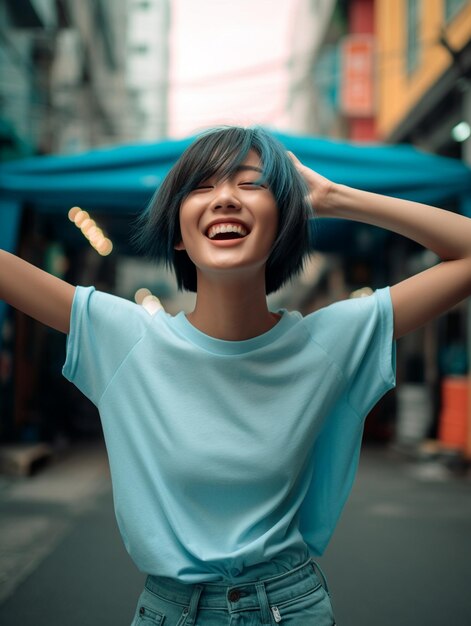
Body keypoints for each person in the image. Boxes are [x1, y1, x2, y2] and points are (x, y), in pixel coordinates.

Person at [0, 126, 470, 625]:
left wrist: (334, 197)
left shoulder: (331, 342)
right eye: (201, 187)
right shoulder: (125, 339)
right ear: (178, 234)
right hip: (169, 612)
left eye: (250, 183)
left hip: (292, 610)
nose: (225, 198)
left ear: (284, 222)